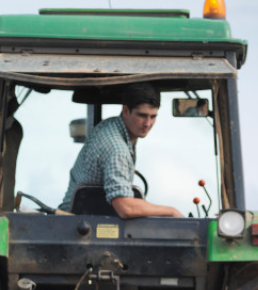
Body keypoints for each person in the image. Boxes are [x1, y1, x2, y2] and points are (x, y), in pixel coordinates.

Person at [58, 83, 183, 219]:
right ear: (125, 111)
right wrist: (171, 211)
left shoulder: (110, 126)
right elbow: (125, 208)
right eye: (142, 115)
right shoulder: (117, 150)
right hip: (76, 225)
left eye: (153, 117)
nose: (147, 123)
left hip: (87, 221)